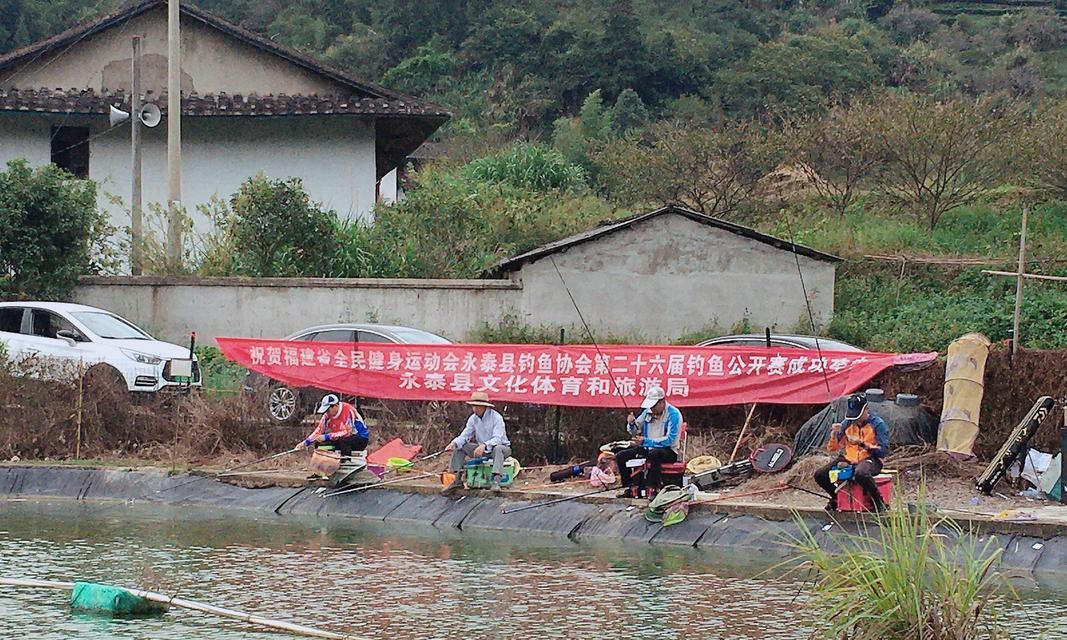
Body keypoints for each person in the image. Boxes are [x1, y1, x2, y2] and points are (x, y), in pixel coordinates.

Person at [813, 393, 891, 512]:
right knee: (820, 474)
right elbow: (832, 449)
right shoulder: (847, 423)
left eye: (858, 416)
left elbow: (883, 451)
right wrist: (834, 435)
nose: (855, 420)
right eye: (853, 416)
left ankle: (878, 501)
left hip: (871, 459)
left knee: (861, 473)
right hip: (849, 458)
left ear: (866, 409)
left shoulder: (878, 424)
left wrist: (862, 444)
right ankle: (836, 498)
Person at [615, 386, 682, 498]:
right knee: (621, 456)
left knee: (654, 454)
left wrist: (646, 441)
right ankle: (630, 487)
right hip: (647, 447)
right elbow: (635, 430)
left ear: (662, 402)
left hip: (668, 451)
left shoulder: (673, 414)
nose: (652, 408)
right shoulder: (647, 412)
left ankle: (653, 488)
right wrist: (631, 424)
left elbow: (669, 440)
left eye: (654, 405)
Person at [441, 391, 511, 495]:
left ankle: (496, 480)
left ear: (484, 407)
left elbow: (498, 438)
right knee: (461, 447)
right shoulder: (473, 419)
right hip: (482, 449)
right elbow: (465, 435)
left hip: (501, 448)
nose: (475, 409)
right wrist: (454, 443)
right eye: (474, 406)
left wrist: (485, 445)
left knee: (498, 448)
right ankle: (457, 479)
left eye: (478, 406)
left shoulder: (497, 418)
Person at [295, 394, 370, 460]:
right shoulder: (327, 416)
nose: (326, 413)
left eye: (328, 410)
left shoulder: (348, 410)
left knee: (343, 442)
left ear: (335, 406)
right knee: (320, 444)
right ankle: (321, 470)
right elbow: (318, 431)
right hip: (340, 438)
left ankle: (345, 464)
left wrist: (326, 436)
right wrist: (305, 443)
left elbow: (347, 432)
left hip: (360, 438)